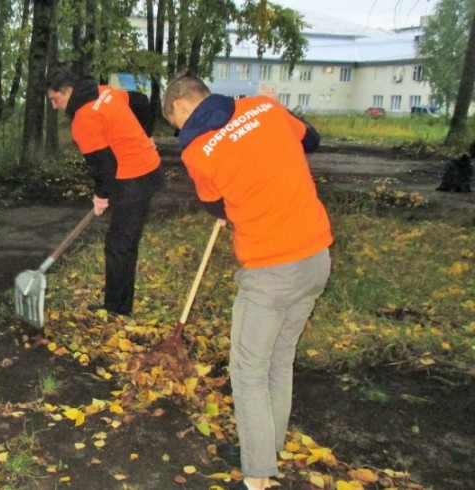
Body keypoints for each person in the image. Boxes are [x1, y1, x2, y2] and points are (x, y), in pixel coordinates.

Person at [162, 74, 332, 490]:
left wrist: (231, 202)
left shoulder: (197, 149)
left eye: (174, 122)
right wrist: (277, 106)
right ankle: (268, 447)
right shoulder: (264, 108)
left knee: (248, 369)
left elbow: (214, 204)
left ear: (182, 107)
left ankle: (256, 476)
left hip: (270, 269)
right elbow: (311, 140)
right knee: (278, 358)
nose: (178, 130)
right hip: (315, 257)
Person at [45, 69, 163, 317]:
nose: (55, 106)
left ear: (68, 92)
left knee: (118, 246)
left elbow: (103, 167)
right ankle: (120, 304)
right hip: (149, 170)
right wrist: (146, 135)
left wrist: (101, 196)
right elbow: (141, 102)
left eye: (55, 99)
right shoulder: (105, 92)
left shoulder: (83, 120)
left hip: (132, 179)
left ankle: (116, 310)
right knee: (124, 242)